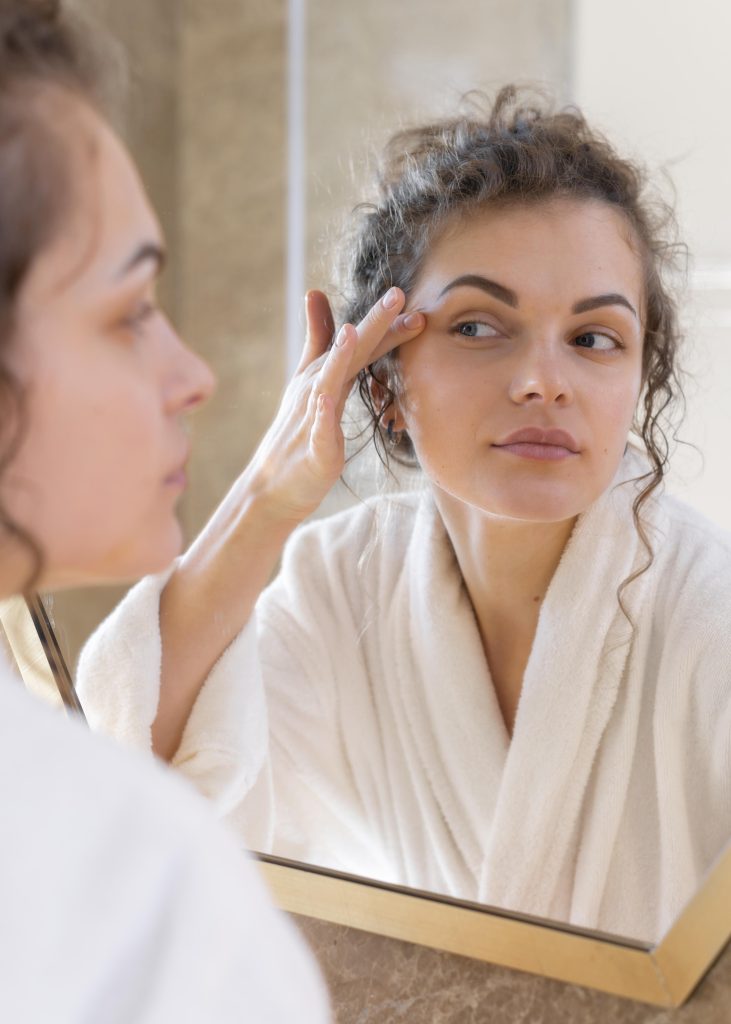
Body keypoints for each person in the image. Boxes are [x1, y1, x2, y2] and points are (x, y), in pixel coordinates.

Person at [77, 88, 731, 944]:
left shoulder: (709, 614)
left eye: (593, 338)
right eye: (478, 327)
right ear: (381, 380)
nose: (544, 381)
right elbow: (141, 793)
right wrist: (268, 497)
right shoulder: (346, 586)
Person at [0, 0, 426, 1018]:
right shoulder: (140, 900)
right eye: (131, 310)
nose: (193, 375)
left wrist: (270, 495)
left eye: (594, 338)